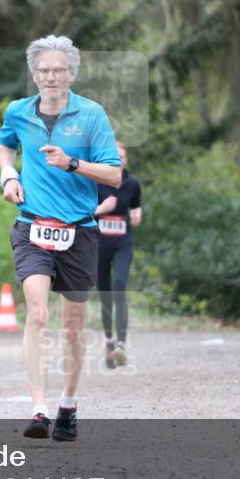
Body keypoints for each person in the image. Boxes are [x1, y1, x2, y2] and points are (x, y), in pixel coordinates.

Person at [0, 35, 122, 440]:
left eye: (59, 70)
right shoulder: (18, 112)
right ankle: (38, 410)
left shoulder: (91, 115)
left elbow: (114, 174)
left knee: (71, 327)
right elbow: (5, 145)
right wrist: (9, 175)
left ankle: (68, 403)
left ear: (71, 74)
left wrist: (72, 163)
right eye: (44, 70)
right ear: (34, 75)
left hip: (80, 230)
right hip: (32, 224)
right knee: (36, 314)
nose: (51, 77)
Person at [94, 141, 142, 368]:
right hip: (99, 244)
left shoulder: (132, 184)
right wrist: (100, 210)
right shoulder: (96, 183)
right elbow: (85, 212)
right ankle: (109, 341)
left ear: (126, 160)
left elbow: (136, 206)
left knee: (119, 285)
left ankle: (121, 344)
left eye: (123, 156)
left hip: (123, 243)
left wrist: (137, 214)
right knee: (104, 294)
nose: (120, 160)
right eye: (116, 156)